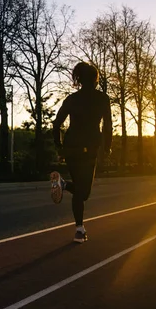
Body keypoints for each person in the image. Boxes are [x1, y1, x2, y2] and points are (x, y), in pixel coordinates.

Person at [50, 62, 112, 243]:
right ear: (95, 79)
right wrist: (107, 148)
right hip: (89, 149)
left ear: (80, 79)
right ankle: (79, 229)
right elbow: (107, 126)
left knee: (79, 189)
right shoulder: (102, 98)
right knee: (83, 193)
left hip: (71, 148)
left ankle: (79, 228)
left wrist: (59, 146)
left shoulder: (72, 99)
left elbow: (56, 124)